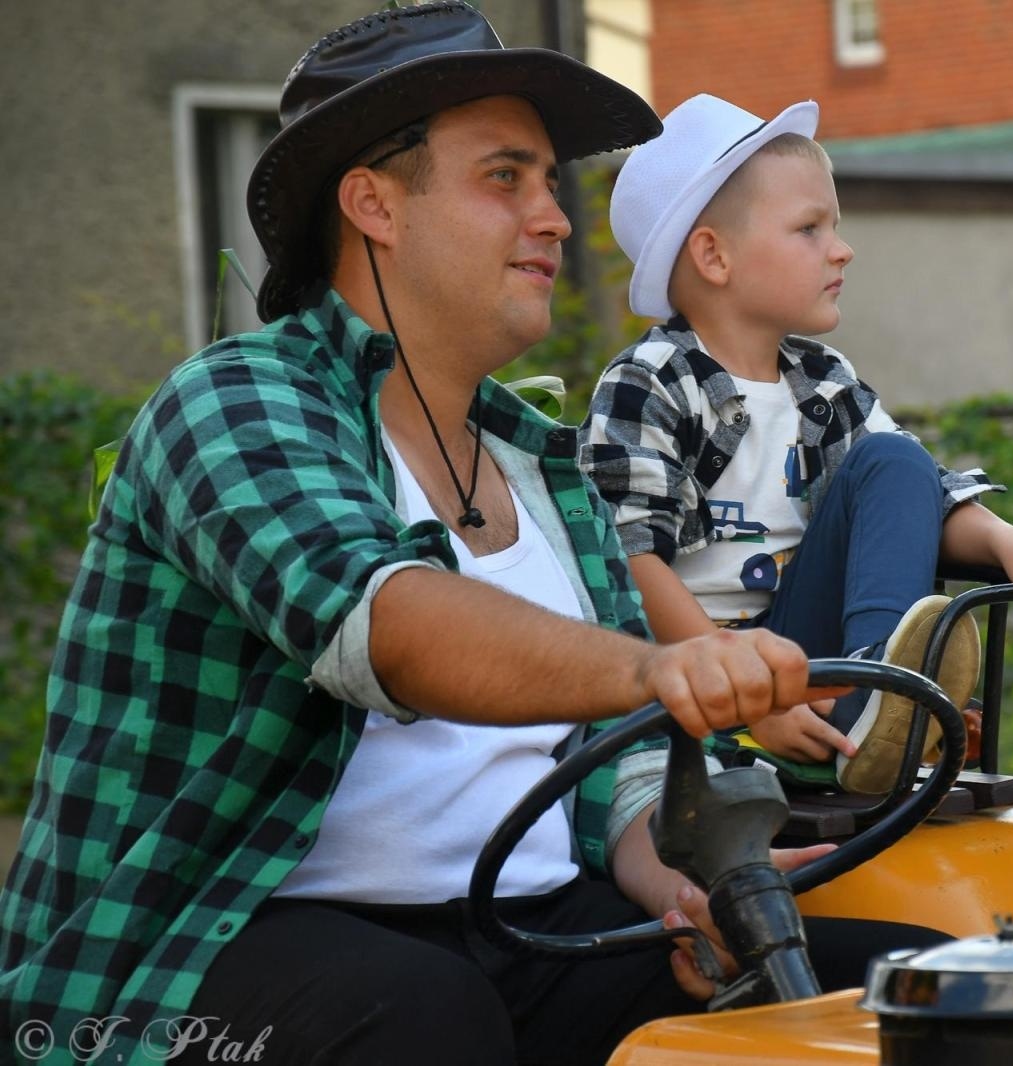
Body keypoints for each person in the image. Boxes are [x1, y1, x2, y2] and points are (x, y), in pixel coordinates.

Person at [0, 8, 938, 1065]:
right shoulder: (234, 401)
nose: (554, 219)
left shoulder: (548, 468)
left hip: (515, 931)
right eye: (506, 178)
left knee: (918, 986)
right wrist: (664, 663)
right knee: (424, 1013)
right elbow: (383, 624)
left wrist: (674, 890)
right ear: (373, 205)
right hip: (205, 948)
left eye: (550, 183)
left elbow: (617, 768)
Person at [583, 95, 1013, 795]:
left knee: (895, 460)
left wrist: (1002, 540)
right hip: (695, 681)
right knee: (644, 566)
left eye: (836, 226)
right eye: (809, 228)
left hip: (808, 662)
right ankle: (882, 706)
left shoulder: (820, 379)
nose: (841, 247)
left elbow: (915, 492)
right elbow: (627, 559)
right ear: (714, 255)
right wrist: (748, 692)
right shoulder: (653, 383)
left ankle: (877, 693)